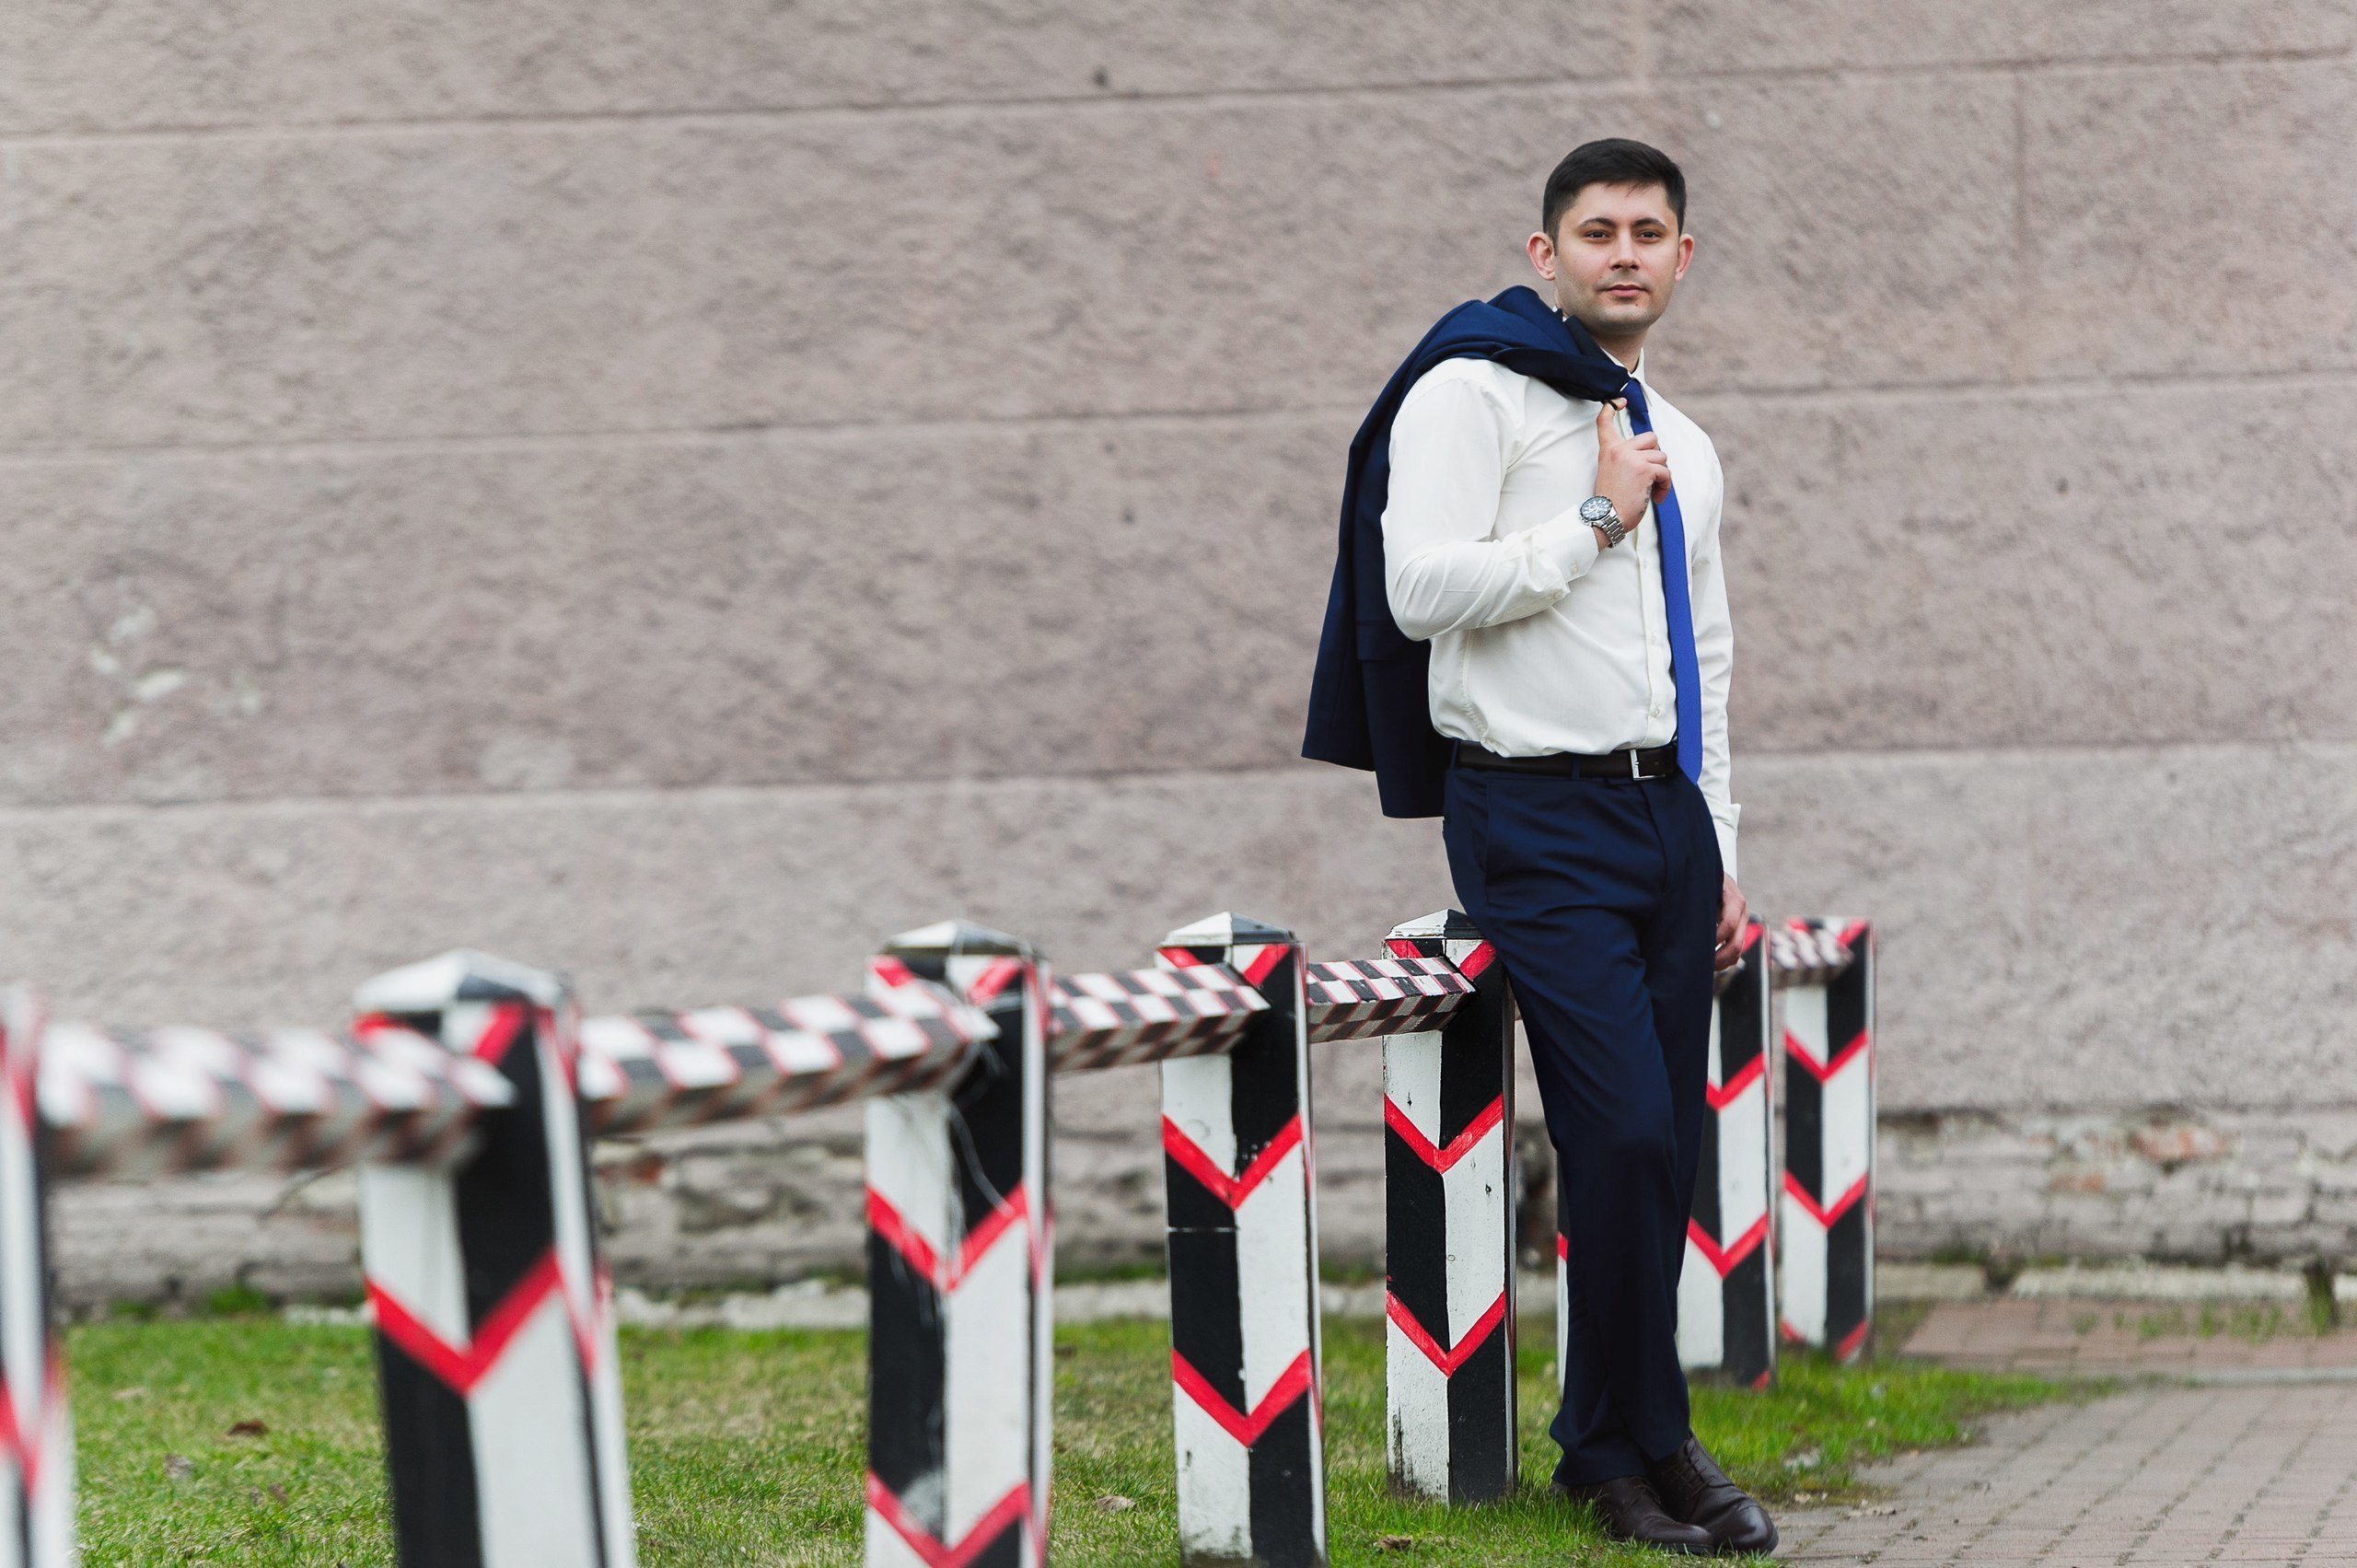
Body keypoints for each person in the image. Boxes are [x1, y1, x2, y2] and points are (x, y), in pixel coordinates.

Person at [1303, 138, 1774, 1554]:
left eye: (1648, 232)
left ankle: (1627, 1449)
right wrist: (1593, 521)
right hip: (1533, 813)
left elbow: (1705, 655)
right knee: (1618, 1130)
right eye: (1596, 231)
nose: (1624, 253)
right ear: (1545, 253)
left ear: (1682, 258)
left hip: (1663, 819)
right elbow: (1418, 585)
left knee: (1664, 1147)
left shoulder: (1682, 438)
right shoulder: (1472, 391)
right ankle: (1635, 1448)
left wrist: (1721, 839)